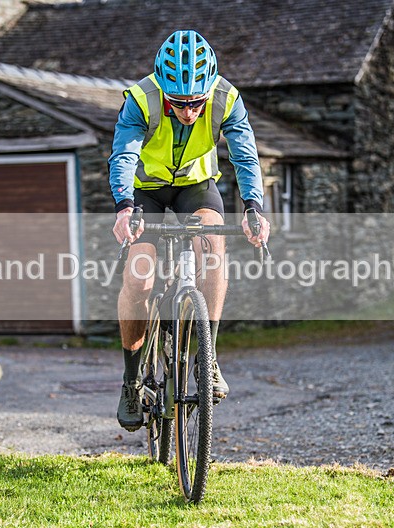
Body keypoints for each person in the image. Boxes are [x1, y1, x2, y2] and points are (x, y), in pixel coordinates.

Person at [109, 29, 270, 431]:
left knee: (214, 245)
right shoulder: (140, 99)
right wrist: (125, 207)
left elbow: (245, 155)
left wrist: (254, 208)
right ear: (164, 90)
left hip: (196, 187)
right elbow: (125, 154)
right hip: (146, 190)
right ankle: (132, 381)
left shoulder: (226, 98)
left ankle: (208, 359)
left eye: (196, 102)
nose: (189, 112)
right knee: (140, 279)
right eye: (179, 104)